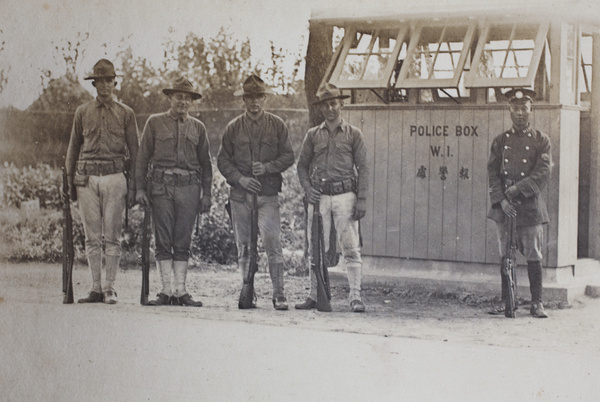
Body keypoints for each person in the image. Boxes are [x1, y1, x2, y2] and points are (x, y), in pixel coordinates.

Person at [217, 74, 295, 310]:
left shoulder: (277, 125)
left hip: (268, 196)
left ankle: (279, 294)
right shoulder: (233, 128)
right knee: (244, 247)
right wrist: (240, 179)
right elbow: (223, 160)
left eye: (258, 96)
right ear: (244, 100)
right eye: (249, 97)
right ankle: (246, 289)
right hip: (240, 198)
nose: (254, 102)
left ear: (265, 98)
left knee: (272, 243)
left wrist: (268, 167)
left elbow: (289, 156)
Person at [65, 59, 139, 305]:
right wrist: (69, 183)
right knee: (92, 236)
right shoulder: (82, 112)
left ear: (114, 83)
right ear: (94, 84)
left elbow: (135, 152)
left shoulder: (126, 113)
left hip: (115, 178)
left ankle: (110, 287)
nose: (104, 85)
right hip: (86, 179)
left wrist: (135, 188)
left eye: (109, 80)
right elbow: (73, 148)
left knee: (113, 236)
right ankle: (95, 287)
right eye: (100, 81)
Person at [135, 76, 212, 307]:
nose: (183, 101)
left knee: (182, 239)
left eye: (187, 98)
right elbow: (142, 158)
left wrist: (206, 194)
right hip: (161, 187)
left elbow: (206, 164)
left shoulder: (198, 128)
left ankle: (180, 291)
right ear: (170, 98)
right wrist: (139, 189)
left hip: (189, 188)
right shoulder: (154, 123)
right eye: (179, 96)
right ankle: (165, 291)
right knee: (163, 238)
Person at [296, 83, 369, 313]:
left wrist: (362, 199)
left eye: (333, 103)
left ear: (342, 104)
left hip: (345, 196)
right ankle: (314, 294)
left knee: (350, 247)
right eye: (325, 105)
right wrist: (308, 190)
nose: (329, 109)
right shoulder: (312, 135)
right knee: (315, 246)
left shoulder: (354, 134)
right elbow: (302, 166)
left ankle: (355, 296)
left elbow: (364, 167)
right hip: (319, 199)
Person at [487, 88, 552, 318]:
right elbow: (493, 173)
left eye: (524, 108)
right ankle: (509, 301)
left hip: (530, 209)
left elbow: (542, 172)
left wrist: (519, 189)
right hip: (505, 210)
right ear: (509, 110)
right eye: (515, 109)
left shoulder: (540, 140)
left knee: (534, 254)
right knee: (506, 255)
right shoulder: (500, 141)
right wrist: (502, 200)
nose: (520, 113)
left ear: (530, 109)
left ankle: (537, 303)